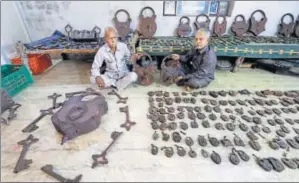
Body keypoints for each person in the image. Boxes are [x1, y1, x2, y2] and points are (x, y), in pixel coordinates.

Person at [90, 27, 142, 91]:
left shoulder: (123, 46)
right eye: (110, 38)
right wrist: (98, 77)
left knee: (133, 76)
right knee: (93, 79)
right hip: (110, 76)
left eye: (115, 37)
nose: (113, 40)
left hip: (123, 75)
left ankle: (114, 85)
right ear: (106, 39)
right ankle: (117, 85)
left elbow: (128, 60)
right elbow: (95, 67)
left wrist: (134, 57)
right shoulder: (102, 50)